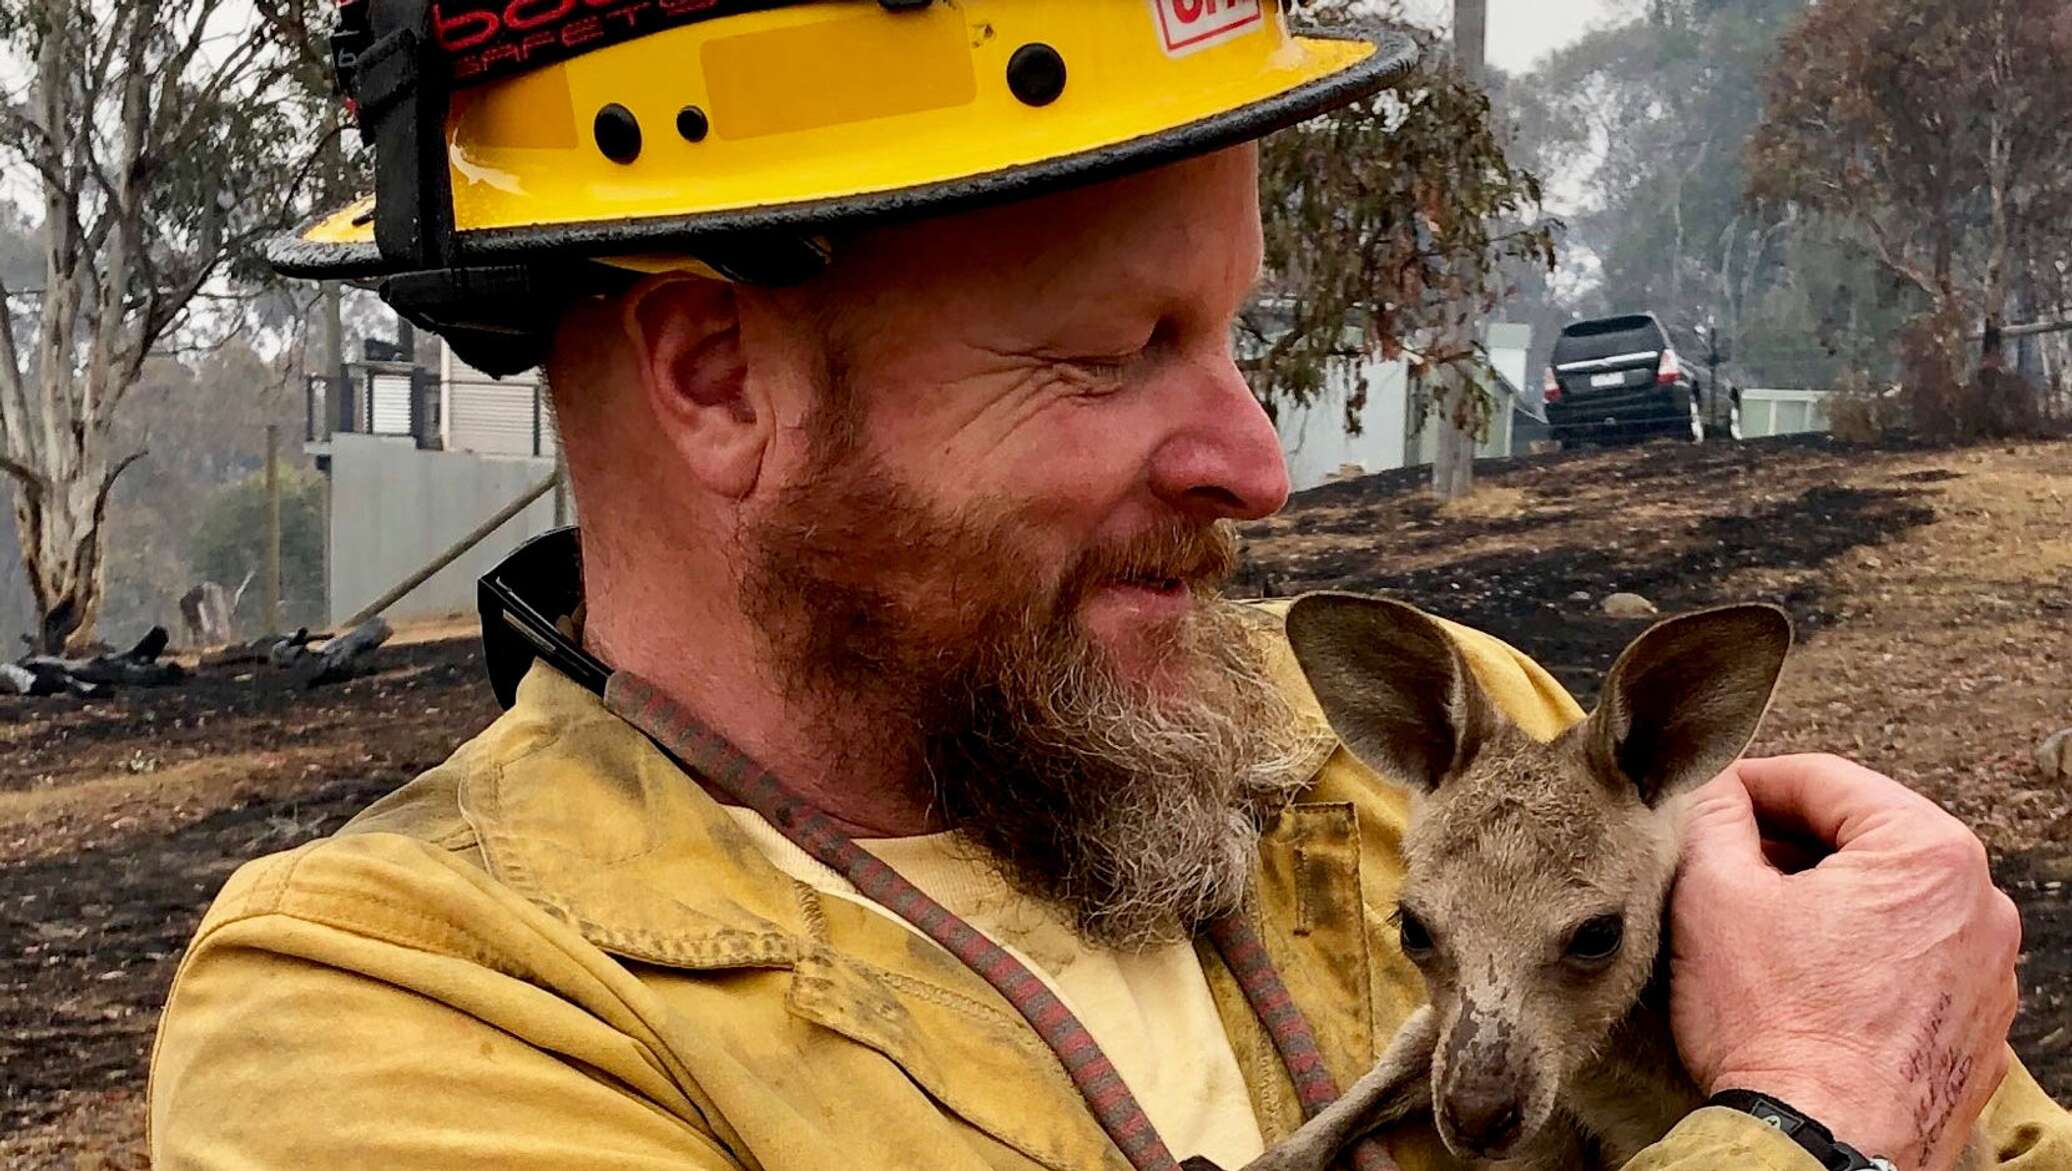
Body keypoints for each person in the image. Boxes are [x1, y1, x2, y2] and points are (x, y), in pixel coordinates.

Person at [152, 3, 2066, 1169]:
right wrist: (1816, 1111)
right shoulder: (395, 1019)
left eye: (1233, 335)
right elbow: (1863, 1095)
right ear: (719, 375)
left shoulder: (1412, 754)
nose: (1259, 464)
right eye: (1112, 350)